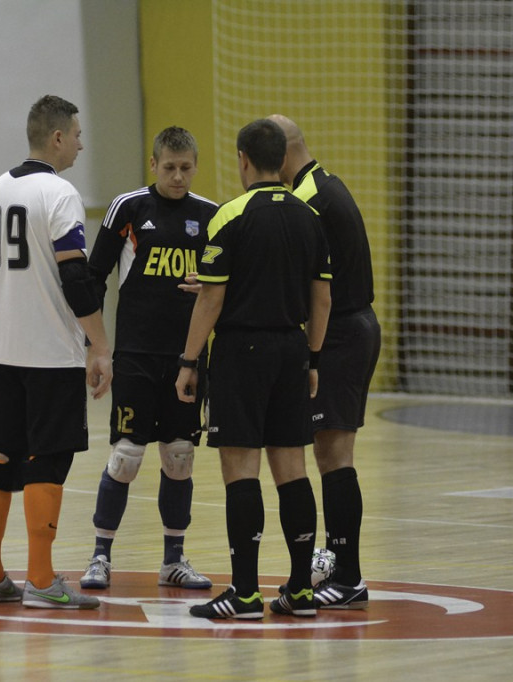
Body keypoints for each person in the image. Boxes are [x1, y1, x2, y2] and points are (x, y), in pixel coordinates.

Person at [176, 118, 332, 619]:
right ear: (283, 161)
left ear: (243, 159)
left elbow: (212, 297)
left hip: (241, 353)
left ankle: (244, 593)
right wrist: (311, 358)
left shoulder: (230, 216)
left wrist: (188, 361)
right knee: (292, 470)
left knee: (240, 470)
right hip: (291, 349)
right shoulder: (310, 216)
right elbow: (322, 298)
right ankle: (301, 591)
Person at [0, 94, 112, 610]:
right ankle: (43, 580)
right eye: (75, 133)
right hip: (51, 354)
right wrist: (100, 344)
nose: (79, 142)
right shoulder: (59, 193)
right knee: (47, 458)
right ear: (55, 138)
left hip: (6, 356)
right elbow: (75, 273)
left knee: (1, 456)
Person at [79, 126, 217, 591]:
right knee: (126, 456)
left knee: (179, 457)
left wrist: (215, 290)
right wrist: (95, 350)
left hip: (187, 359)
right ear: (153, 165)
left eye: (186, 168)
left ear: (196, 167)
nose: (178, 177)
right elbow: (92, 278)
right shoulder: (128, 208)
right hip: (135, 355)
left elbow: (226, 290)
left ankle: (173, 560)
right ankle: (100, 556)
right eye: (169, 167)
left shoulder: (212, 217)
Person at [269, 114, 381, 610]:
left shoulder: (308, 200)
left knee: (335, 457)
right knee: (328, 455)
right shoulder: (324, 182)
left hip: (341, 336)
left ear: (283, 155)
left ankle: (349, 574)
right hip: (348, 330)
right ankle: (338, 562)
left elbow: (302, 282)